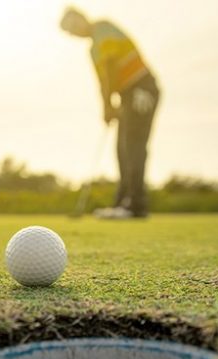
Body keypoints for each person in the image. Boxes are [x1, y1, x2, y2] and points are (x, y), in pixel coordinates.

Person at [61, 7, 160, 219]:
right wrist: (107, 106)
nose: (73, 33)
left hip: (141, 88)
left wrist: (108, 105)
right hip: (126, 95)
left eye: (72, 26)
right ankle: (122, 203)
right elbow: (102, 83)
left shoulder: (102, 28)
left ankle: (136, 205)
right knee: (122, 148)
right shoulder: (92, 49)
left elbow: (110, 69)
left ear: (81, 16)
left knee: (133, 144)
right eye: (69, 32)